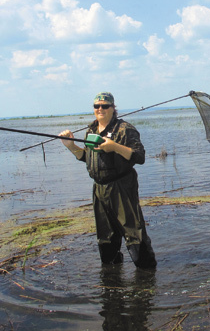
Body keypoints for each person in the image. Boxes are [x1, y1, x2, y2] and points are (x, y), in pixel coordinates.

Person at [59, 92, 157, 269]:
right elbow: (86, 158)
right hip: (99, 189)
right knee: (106, 237)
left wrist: (114, 147)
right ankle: (111, 275)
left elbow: (140, 157)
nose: (100, 109)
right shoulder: (91, 130)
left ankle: (147, 274)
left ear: (113, 108)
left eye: (105, 106)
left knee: (134, 234)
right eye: (97, 106)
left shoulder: (124, 129)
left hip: (122, 187)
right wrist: (71, 146)